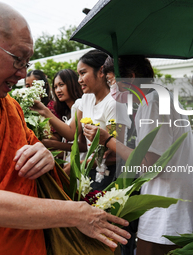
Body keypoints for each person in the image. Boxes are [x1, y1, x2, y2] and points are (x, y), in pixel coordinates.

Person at [0, 2, 130, 254]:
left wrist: (45, 156)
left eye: (27, 62)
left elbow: (32, 152)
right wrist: (78, 214)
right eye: (17, 60)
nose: (23, 74)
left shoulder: (8, 107)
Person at [83, 55, 193, 255]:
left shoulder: (152, 104)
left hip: (169, 208)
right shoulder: (159, 98)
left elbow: (148, 164)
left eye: (111, 81)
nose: (111, 89)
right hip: (177, 204)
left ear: (131, 78)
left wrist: (107, 140)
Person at [32, 50, 131, 190]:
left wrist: (76, 165)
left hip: (110, 178)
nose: (79, 80)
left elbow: (114, 155)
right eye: (78, 74)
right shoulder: (86, 99)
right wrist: (44, 111)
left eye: (83, 73)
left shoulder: (114, 104)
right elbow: (71, 132)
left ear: (101, 71)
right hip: (90, 173)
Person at [41, 69, 87, 170]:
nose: (58, 90)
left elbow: (83, 146)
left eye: (61, 85)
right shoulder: (66, 112)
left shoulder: (80, 105)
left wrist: (53, 144)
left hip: (82, 165)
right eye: (55, 87)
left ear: (72, 84)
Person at [26, 69, 61, 140]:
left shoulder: (53, 107)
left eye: (34, 86)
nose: (31, 89)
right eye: (27, 86)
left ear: (45, 86)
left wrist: (38, 134)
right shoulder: (26, 109)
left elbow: (58, 138)